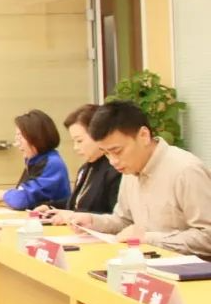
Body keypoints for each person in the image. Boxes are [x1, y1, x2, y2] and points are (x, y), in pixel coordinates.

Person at [73, 101, 211, 255]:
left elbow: (207, 236)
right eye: (106, 153)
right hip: (143, 263)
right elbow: (124, 221)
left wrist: (148, 238)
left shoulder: (186, 170)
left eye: (117, 151)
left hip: (187, 268)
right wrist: (93, 222)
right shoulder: (131, 168)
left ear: (144, 136)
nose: (112, 161)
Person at [35, 103, 122, 223]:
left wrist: (73, 216)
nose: (75, 147)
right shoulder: (86, 168)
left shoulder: (116, 168)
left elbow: (116, 218)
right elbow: (77, 202)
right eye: (74, 141)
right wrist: (51, 207)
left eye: (79, 141)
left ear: (98, 134)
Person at [0, 109, 70, 210]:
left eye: (21, 137)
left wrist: (3, 195)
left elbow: (22, 200)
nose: (17, 143)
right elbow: (22, 192)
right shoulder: (35, 159)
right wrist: (3, 195)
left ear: (36, 137)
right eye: (17, 136)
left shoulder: (52, 163)